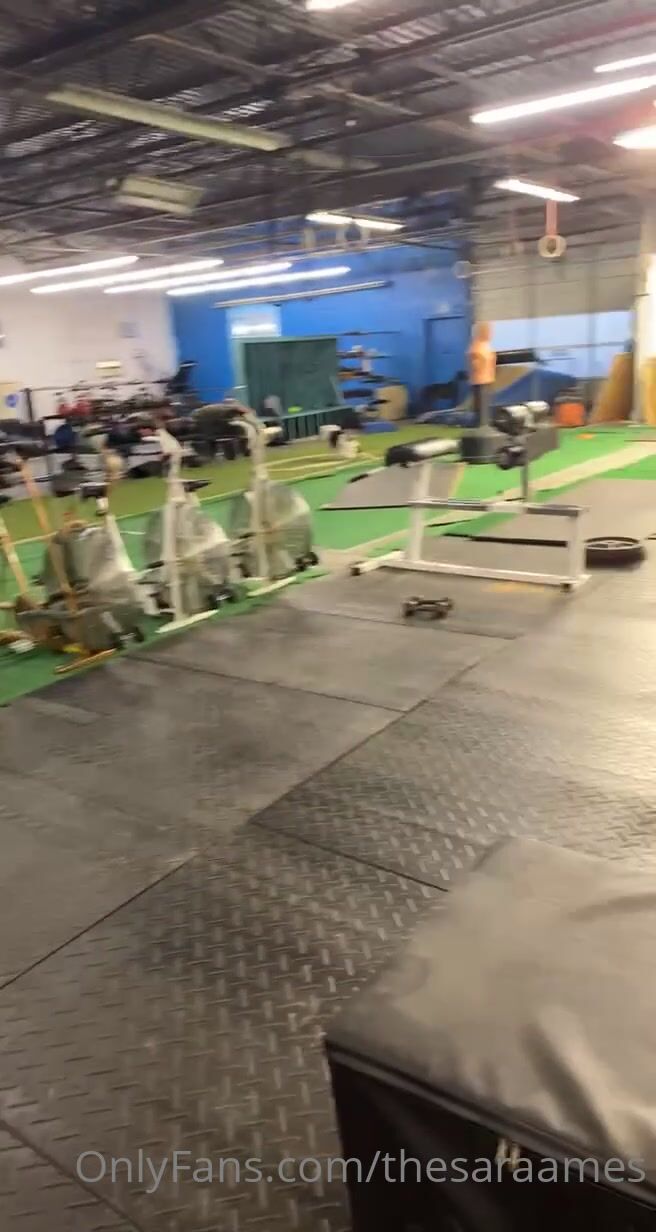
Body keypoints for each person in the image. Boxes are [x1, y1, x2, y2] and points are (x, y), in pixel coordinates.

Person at [468, 322, 497, 426]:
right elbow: (475, 365)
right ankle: (481, 423)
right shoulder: (477, 347)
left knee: (486, 405)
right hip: (480, 381)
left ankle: (485, 422)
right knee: (481, 405)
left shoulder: (486, 346)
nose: (491, 334)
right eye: (488, 331)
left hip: (487, 379)